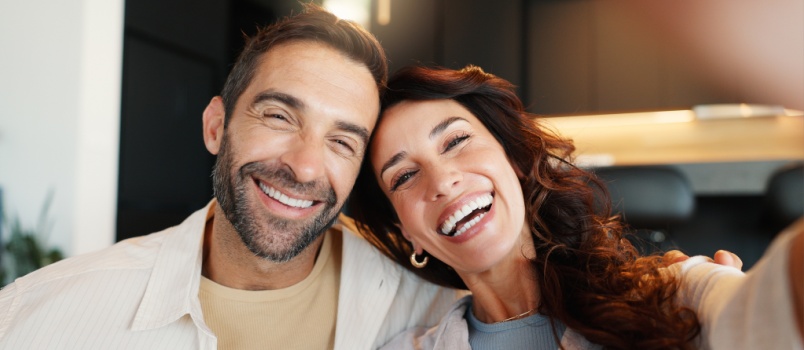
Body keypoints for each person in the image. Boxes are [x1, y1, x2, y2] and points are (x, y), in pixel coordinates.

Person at [0, 6, 462, 350]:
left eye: (342, 142)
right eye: (280, 116)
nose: (303, 166)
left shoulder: (436, 316)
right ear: (216, 126)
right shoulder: (37, 318)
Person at [348, 64, 804, 349]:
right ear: (405, 229)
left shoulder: (675, 294)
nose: (442, 181)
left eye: (457, 141)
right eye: (404, 176)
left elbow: (775, 317)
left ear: (518, 162)